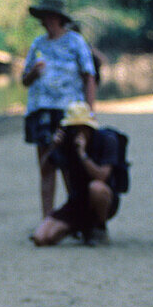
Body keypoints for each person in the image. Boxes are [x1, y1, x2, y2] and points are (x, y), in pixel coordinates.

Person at [20, 0, 97, 218]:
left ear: (56, 17)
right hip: (40, 111)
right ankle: (48, 219)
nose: (43, 21)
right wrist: (33, 72)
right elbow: (24, 80)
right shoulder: (37, 44)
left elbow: (89, 76)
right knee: (46, 165)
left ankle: (72, 218)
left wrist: (90, 113)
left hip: (69, 114)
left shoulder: (75, 42)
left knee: (69, 166)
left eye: (46, 16)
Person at [30, 102, 121, 247]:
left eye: (81, 127)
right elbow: (44, 170)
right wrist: (53, 146)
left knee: (96, 188)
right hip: (76, 203)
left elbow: (102, 177)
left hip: (102, 200)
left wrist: (83, 155)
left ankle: (99, 229)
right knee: (41, 238)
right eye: (72, 128)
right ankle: (79, 228)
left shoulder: (107, 140)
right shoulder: (66, 143)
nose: (77, 132)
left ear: (89, 127)